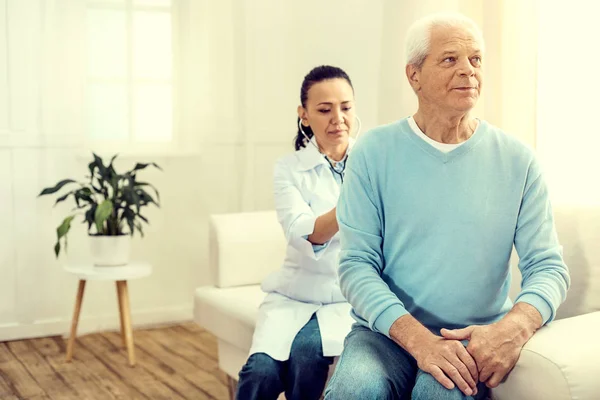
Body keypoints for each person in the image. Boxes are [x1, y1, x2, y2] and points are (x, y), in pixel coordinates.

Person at [325, 12, 570, 400]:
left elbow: (549, 268)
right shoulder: (373, 152)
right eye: (450, 59)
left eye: (476, 60)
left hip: (471, 338)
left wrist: (511, 329)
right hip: (385, 334)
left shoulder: (518, 160)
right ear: (414, 75)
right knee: (354, 391)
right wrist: (418, 341)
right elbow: (356, 266)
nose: (468, 71)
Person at [236, 65, 360, 400]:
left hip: (346, 298)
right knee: (259, 373)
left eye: (346, 107)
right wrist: (358, 194)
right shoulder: (289, 169)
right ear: (304, 115)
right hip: (295, 292)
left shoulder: (372, 161)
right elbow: (306, 233)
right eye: (324, 110)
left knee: (307, 359)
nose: (338, 118)